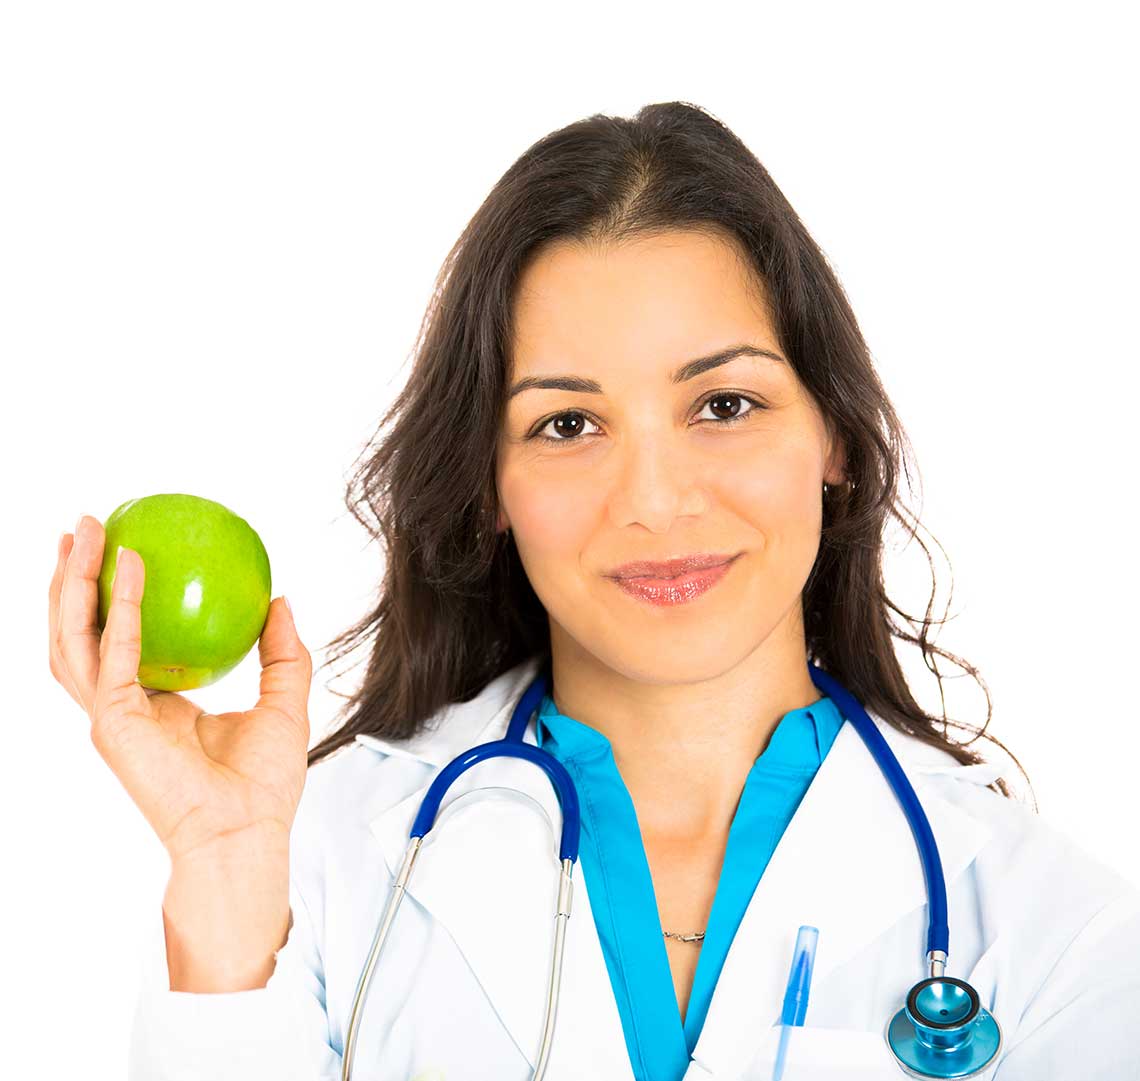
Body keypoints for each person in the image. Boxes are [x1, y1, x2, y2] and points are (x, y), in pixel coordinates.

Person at [48, 102, 1140, 1081]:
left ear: (836, 439)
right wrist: (229, 892)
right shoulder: (319, 864)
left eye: (724, 404)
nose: (655, 501)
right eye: (568, 424)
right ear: (489, 487)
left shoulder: (1050, 929)